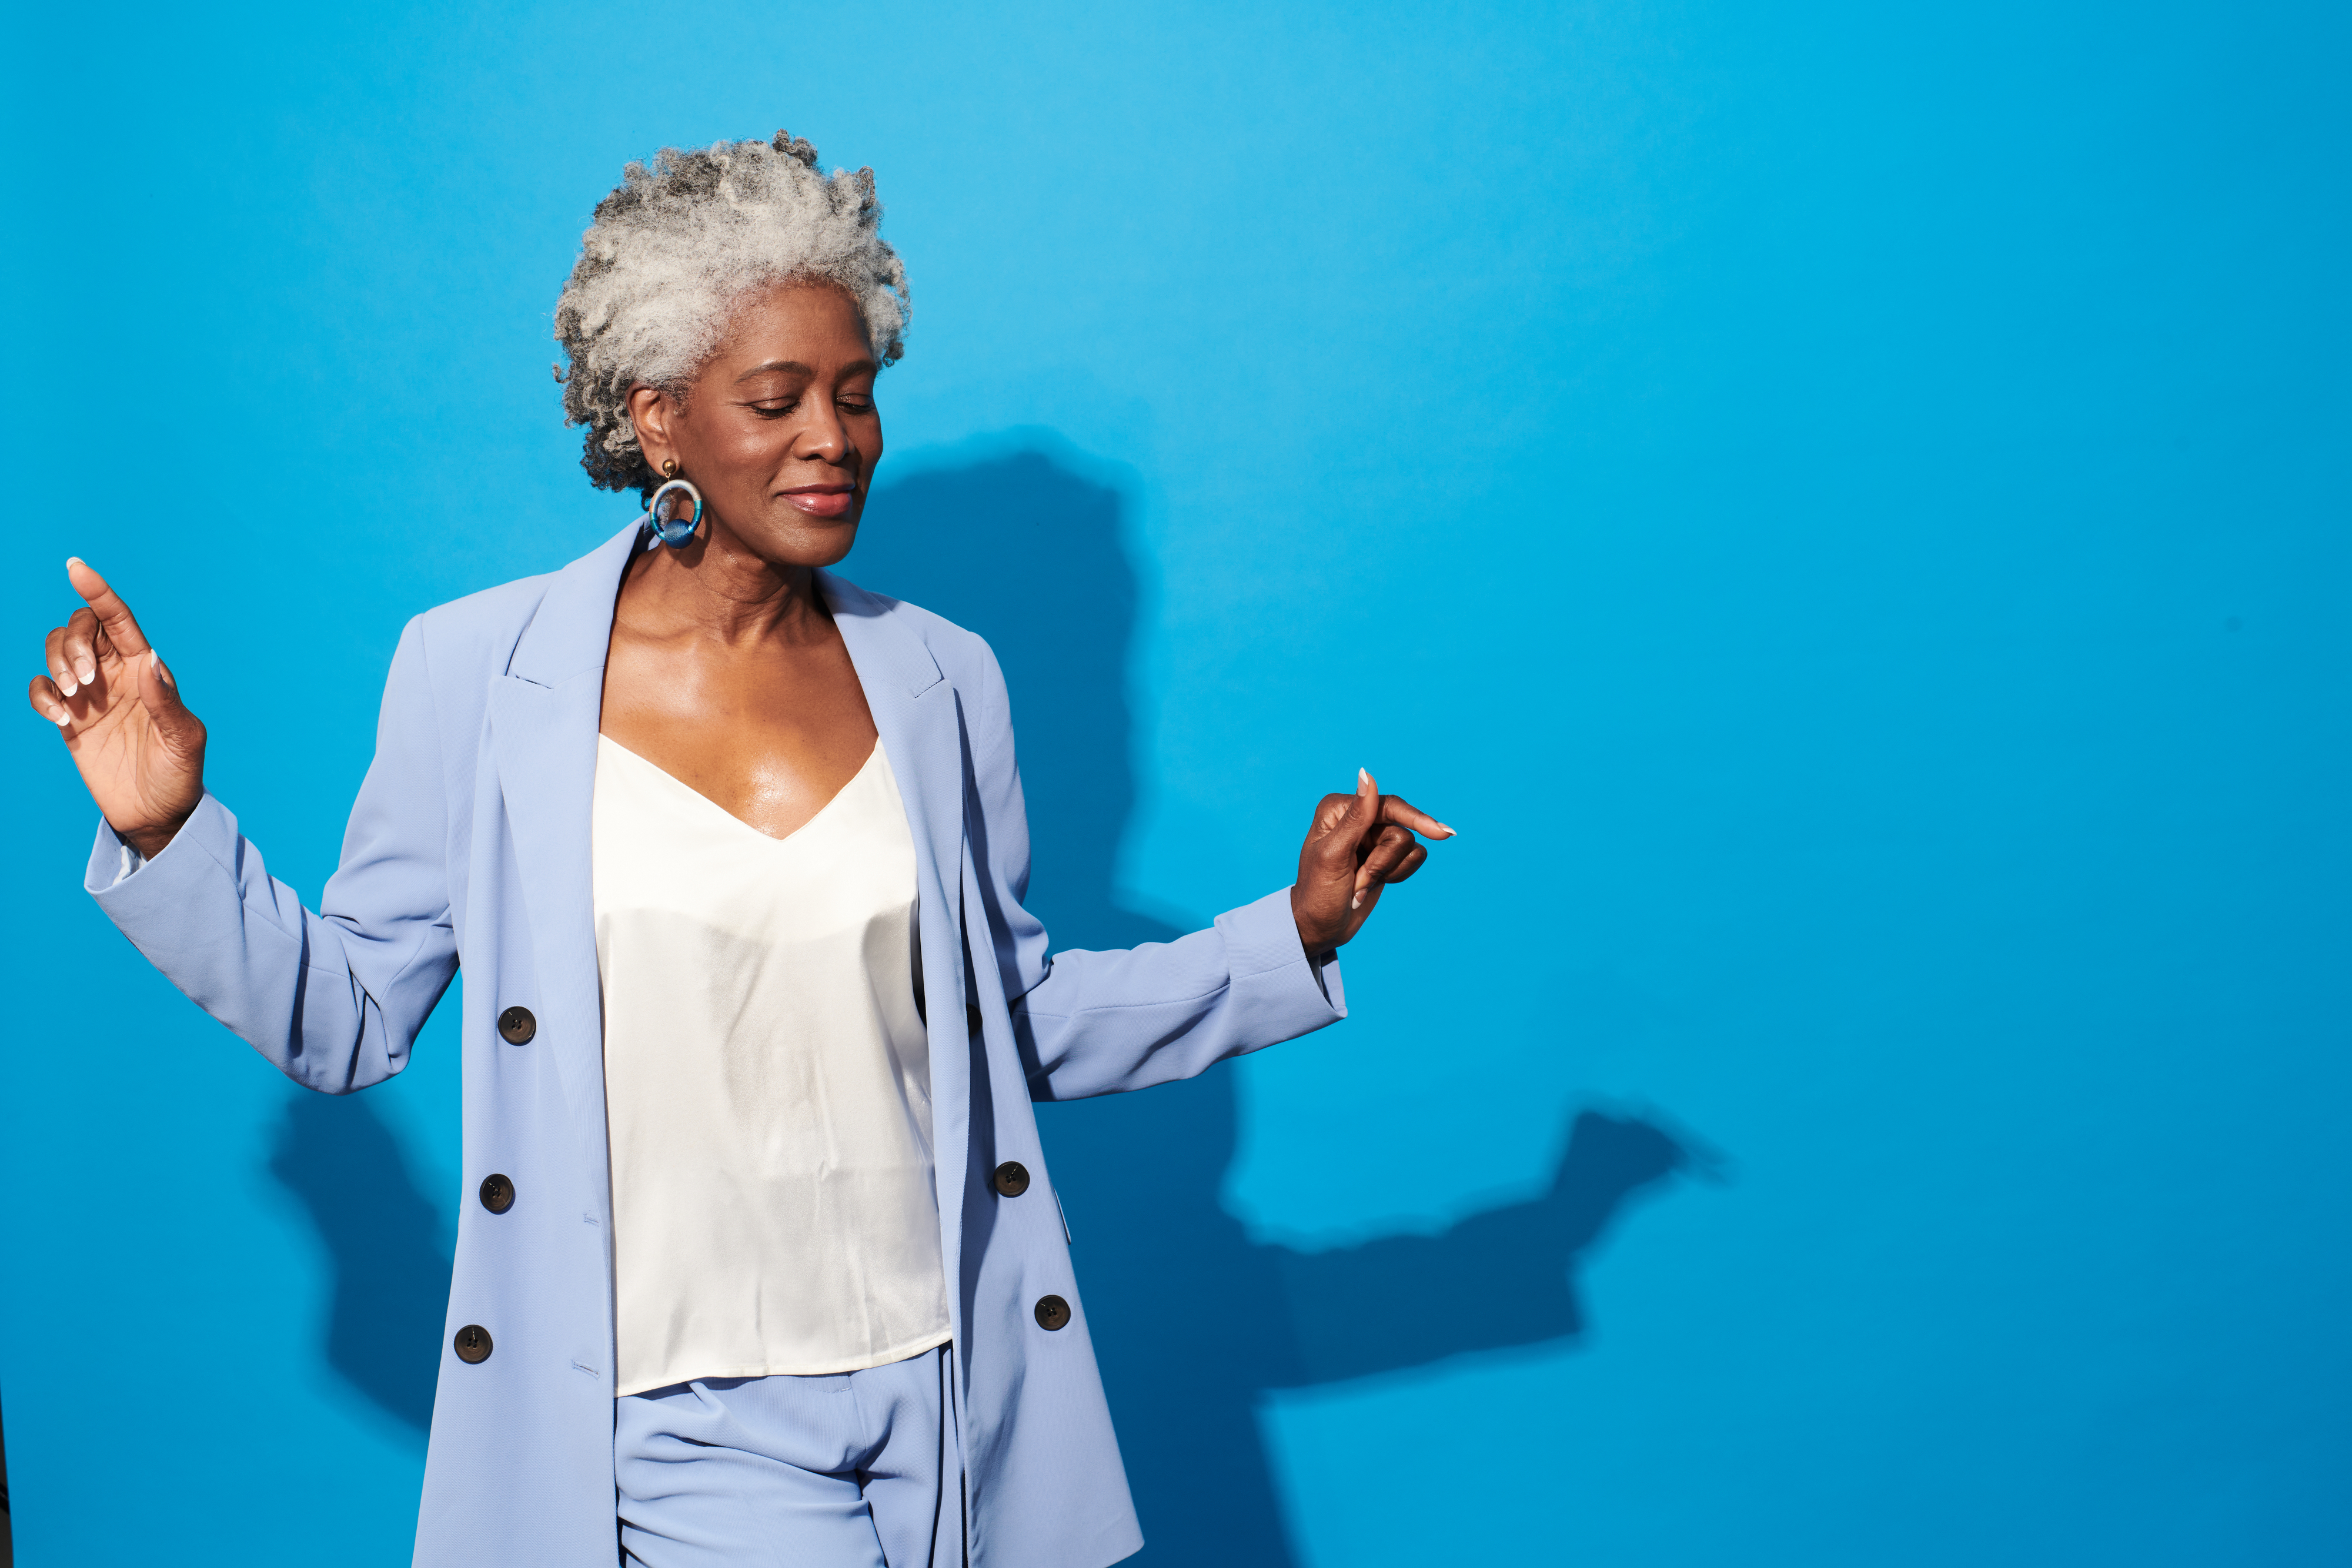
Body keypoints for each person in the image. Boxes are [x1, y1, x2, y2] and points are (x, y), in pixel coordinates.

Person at [26, 131, 1449, 1568]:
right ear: (660, 422)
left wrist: (1295, 931)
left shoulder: (942, 677)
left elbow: (1005, 1022)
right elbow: (347, 1017)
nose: (834, 436)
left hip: (949, 1384)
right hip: (679, 1412)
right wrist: (167, 830)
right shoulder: (480, 673)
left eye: (857, 393)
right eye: (776, 400)